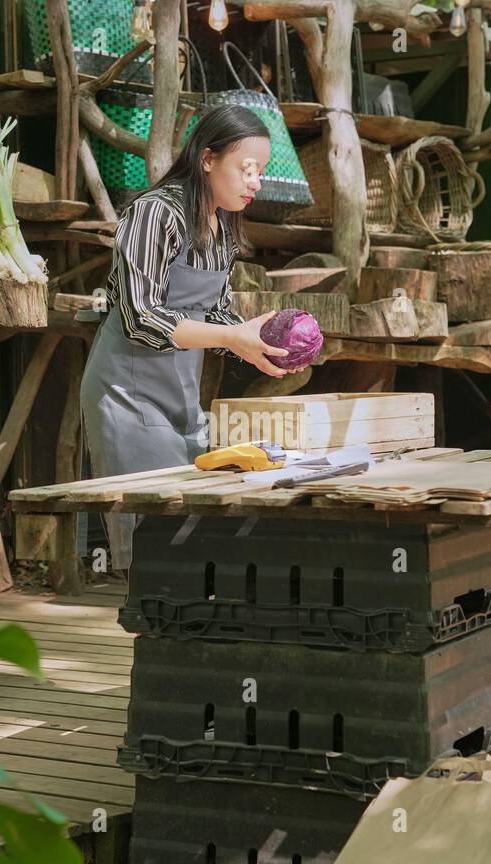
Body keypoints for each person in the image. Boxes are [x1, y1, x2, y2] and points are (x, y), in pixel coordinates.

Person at [79, 104, 303, 570]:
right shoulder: (152, 214)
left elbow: (215, 314)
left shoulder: (222, 229)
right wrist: (232, 336)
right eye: (246, 169)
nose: (255, 181)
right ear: (207, 159)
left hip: (182, 398)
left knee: (192, 529)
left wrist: (260, 342)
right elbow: (141, 316)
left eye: (260, 171)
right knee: (154, 533)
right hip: (128, 394)